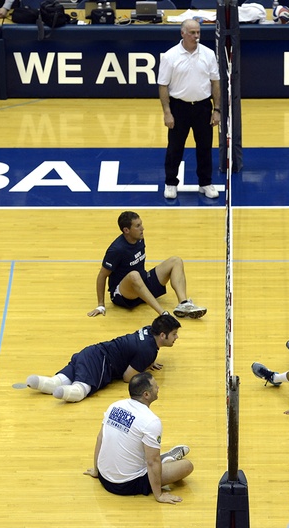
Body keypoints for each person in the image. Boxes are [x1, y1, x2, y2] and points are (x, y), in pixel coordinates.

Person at [83, 373, 194, 504]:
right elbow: (152, 461)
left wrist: (96, 470)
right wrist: (159, 495)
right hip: (127, 484)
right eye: (155, 386)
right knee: (187, 466)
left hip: (103, 476)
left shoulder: (115, 406)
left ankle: (165, 460)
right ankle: (167, 460)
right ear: (146, 395)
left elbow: (100, 438)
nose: (158, 387)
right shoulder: (151, 421)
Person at [26, 313, 181, 403]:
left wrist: (147, 360)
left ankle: (37, 381)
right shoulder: (148, 350)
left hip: (88, 352)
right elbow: (128, 377)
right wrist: (145, 366)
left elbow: (138, 348)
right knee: (79, 391)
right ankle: (61, 391)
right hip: (101, 363)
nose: (176, 337)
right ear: (162, 335)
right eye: (174, 334)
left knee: (56, 381)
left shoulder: (149, 330)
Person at [87, 211, 207, 320]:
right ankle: (163, 314)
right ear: (126, 230)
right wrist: (101, 305)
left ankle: (184, 304)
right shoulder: (116, 249)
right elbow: (102, 275)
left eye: (141, 224)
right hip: (124, 294)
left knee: (176, 261)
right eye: (138, 226)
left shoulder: (139, 238)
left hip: (143, 282)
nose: (142, 228)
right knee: (134, 275)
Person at [157, 19, 221, 200]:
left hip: (202, 107)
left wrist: (216, 109)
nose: (196, 36)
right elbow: (163, 85)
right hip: (179, 108)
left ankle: (205, 183)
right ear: (183, 33)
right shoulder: (170, 56)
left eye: (198, 32)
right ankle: (170, 182)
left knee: (205, 147)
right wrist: (167, 112)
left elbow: (215, 82)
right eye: (192, 33)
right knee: (175, 148)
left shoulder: (208, 54)